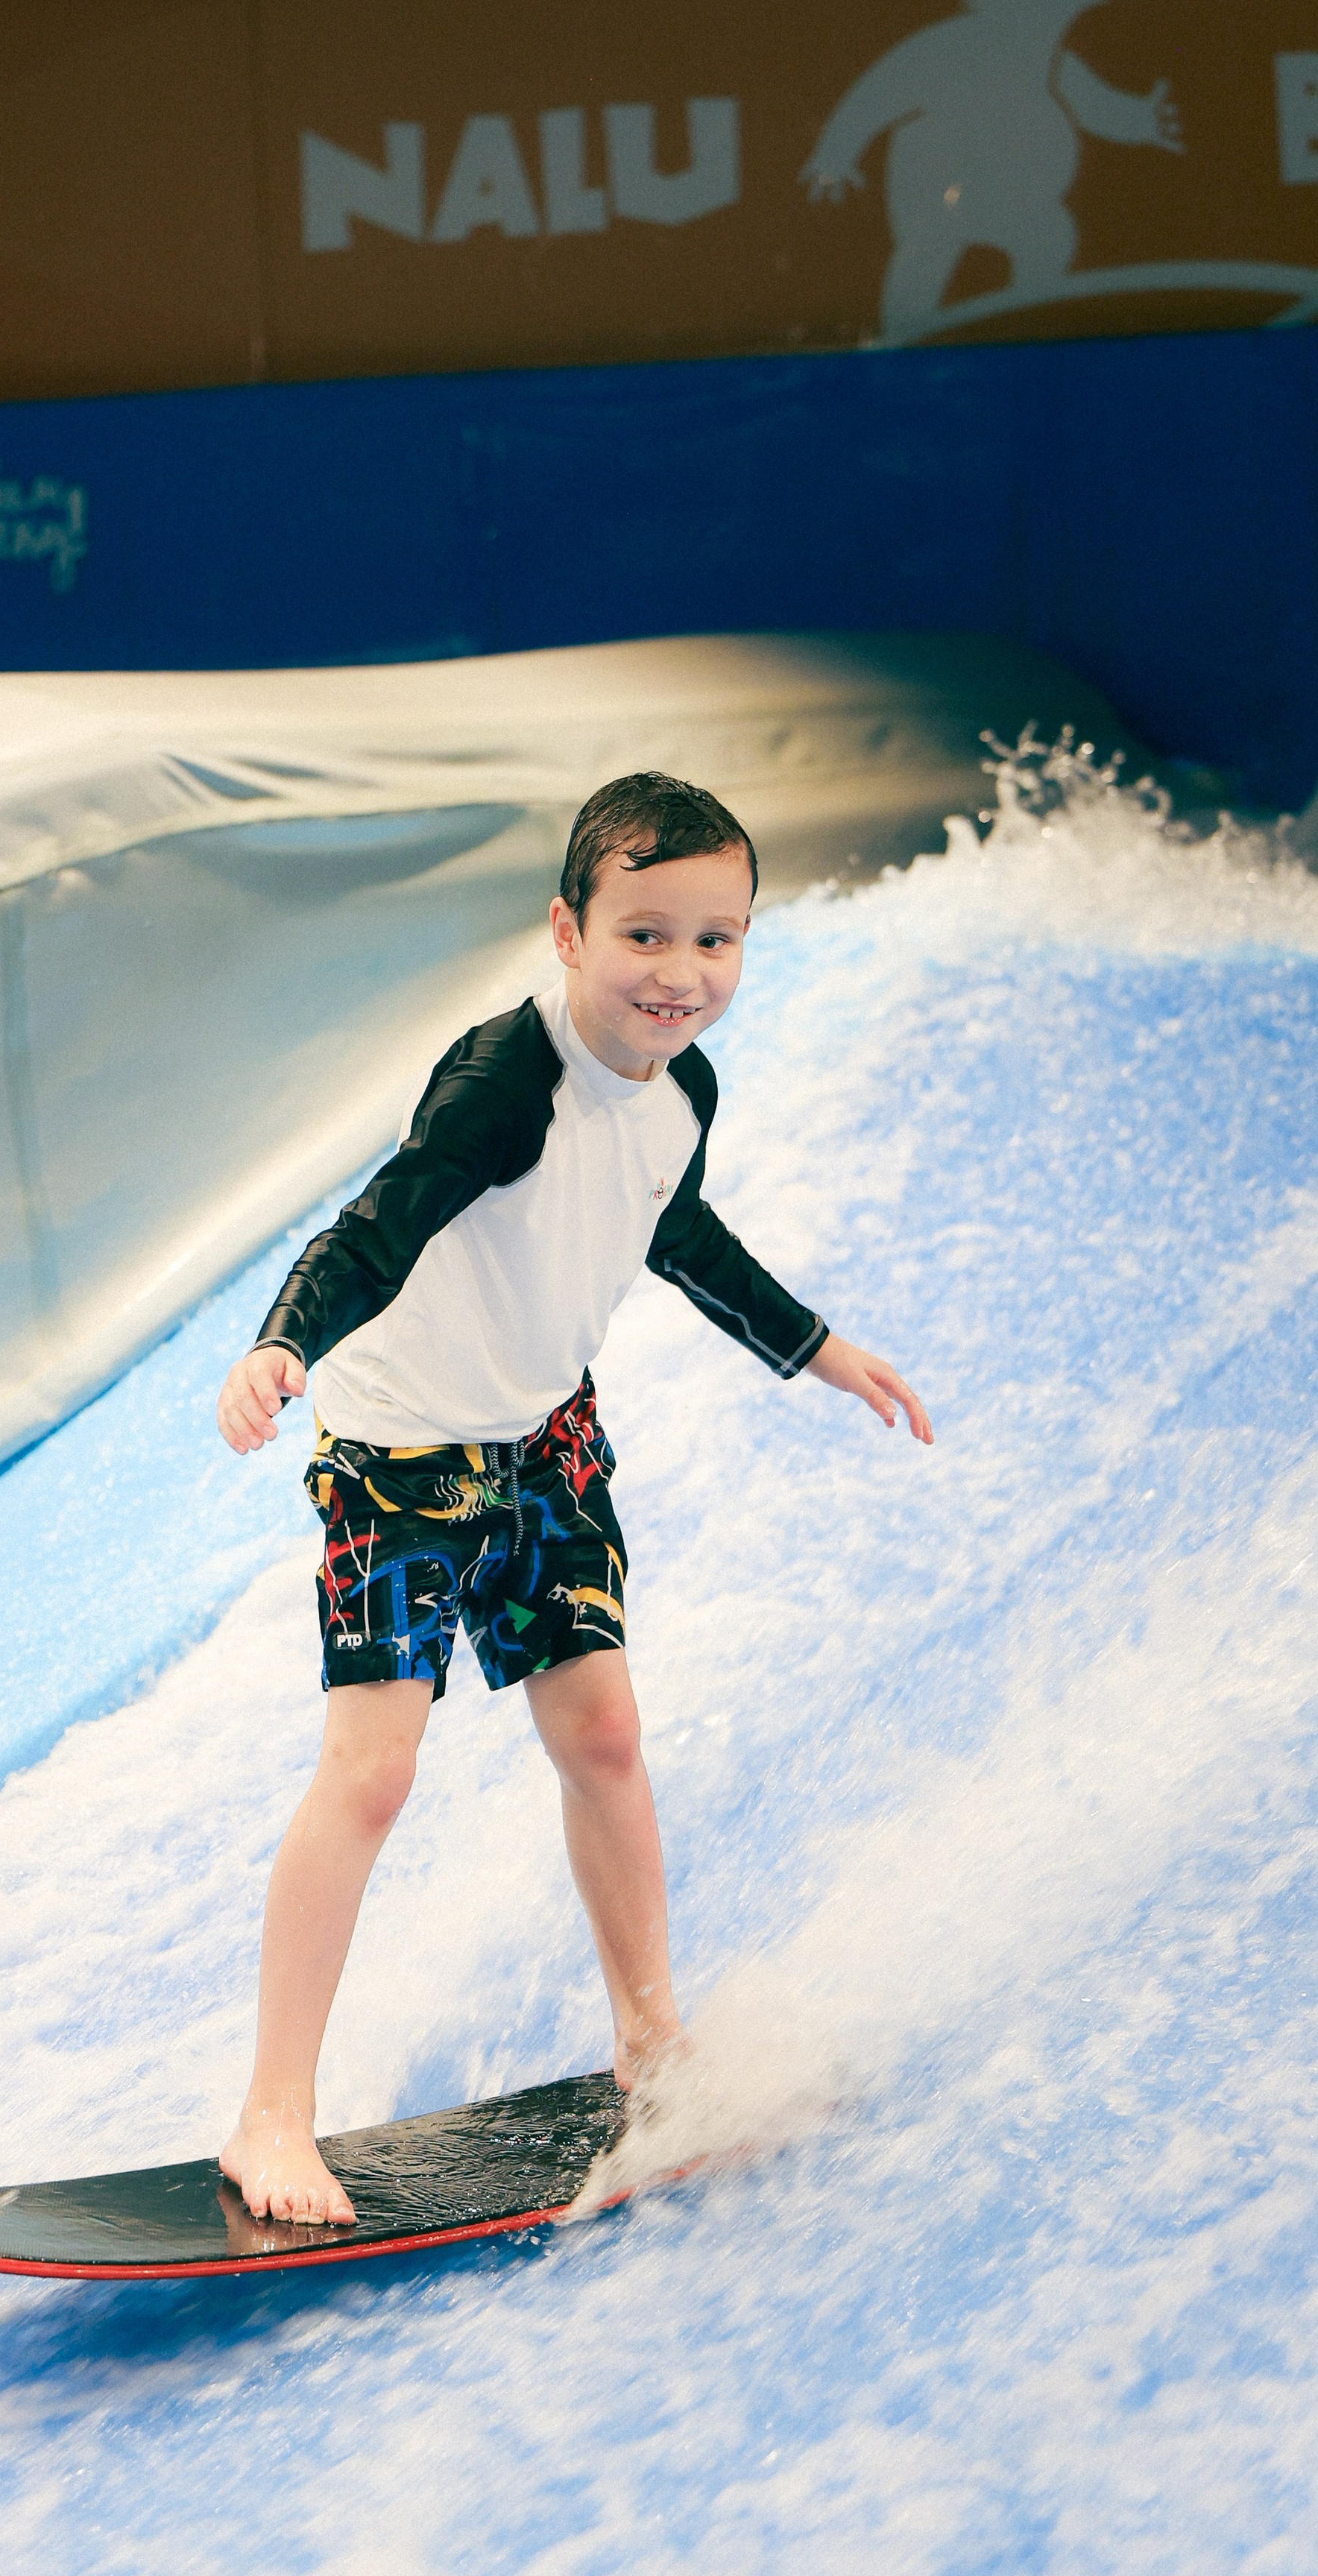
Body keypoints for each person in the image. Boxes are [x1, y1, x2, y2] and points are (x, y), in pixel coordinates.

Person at [213, 771, 934, 2225]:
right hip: (405, 1459)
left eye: (715, 940)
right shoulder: (503, 1083)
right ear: (567, 929)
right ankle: (269, 2118)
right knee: (374, 1773)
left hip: (544, 1440)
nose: (680, 974)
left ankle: (650, 2038)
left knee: (601, 1729)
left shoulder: (684, 1087)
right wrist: (283, 1342)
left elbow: (668, 1224)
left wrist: (818, 1349)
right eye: (644, 935)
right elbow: (375, 1225)